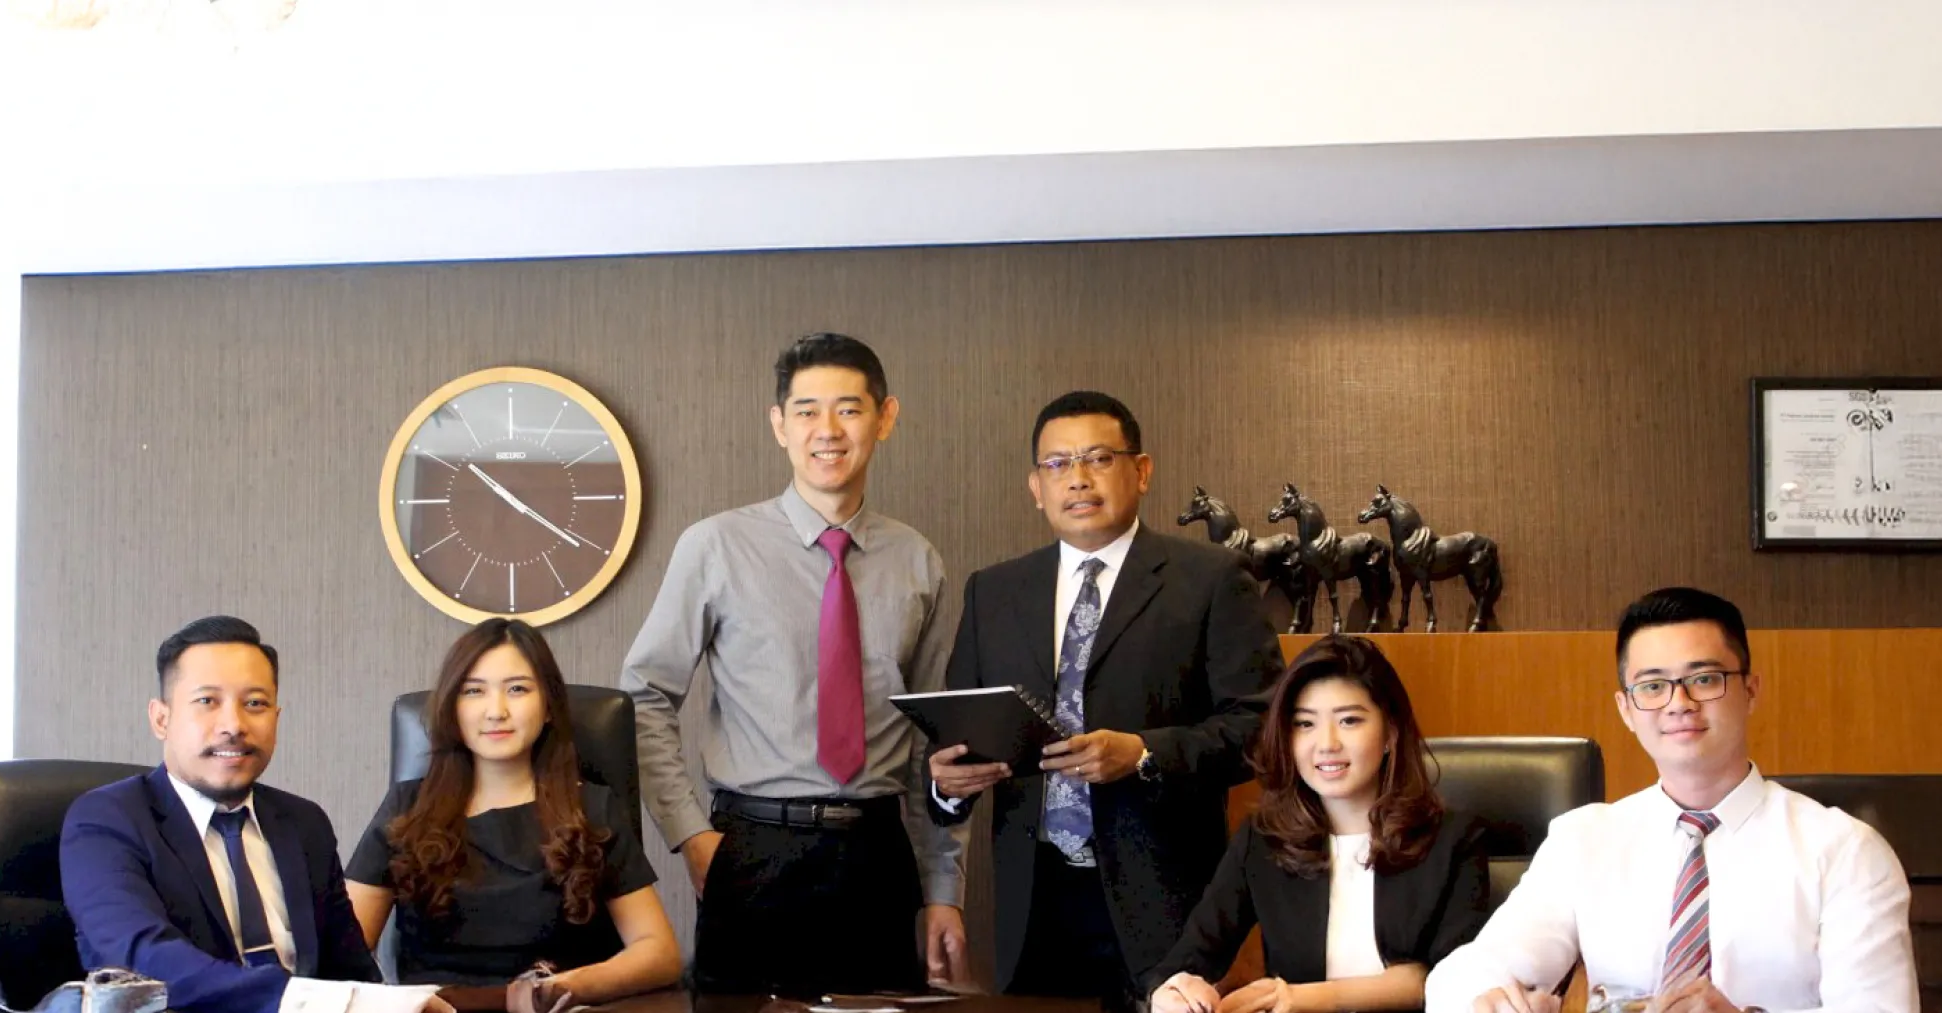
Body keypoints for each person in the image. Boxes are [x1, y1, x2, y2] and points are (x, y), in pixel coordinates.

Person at [619, 332, 967, 994]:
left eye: (848, 408)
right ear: (779, 424)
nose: (827, 429)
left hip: (879, 856)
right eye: (807, 410)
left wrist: (943, 887)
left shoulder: (918, 560)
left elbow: (937, 740)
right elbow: (644, 695)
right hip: (753, 851)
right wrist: (691, 834)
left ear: (885, 417)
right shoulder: (716, 546)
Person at [927, 390, 1284, 1005]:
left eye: (1098, 458)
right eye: (1057, 464)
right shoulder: (994, 592)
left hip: (1165, 900)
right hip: (1033, 902)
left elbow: (1263, 728)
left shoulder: (1211, 580)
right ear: (1036, 486)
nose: (1078, 479)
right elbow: (958, 728)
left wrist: (1143, 754)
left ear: (1141, 471)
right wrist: (946, 785)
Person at [1426, 587, 1917, 1013]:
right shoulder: (1585, 840)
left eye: (1704, 679)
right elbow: (1461, 975)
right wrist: (1490, 1000)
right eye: (1653, 686)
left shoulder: (1844, 850)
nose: (1679, 703)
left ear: (1750, 690)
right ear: (1626, 709)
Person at [59, 617, 442, 1013]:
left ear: (276, 717)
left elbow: (350, 971)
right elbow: (142, 960)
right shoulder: (107, 820)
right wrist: (298, 999)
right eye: (207, 701)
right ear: (161, 719)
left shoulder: (303, 823)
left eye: (255, 704)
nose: (234, 725)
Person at [1144, 635, 1490, 1013]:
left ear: (1390, 732)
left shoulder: (1452, 839)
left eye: (1349, 720)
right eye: (1305, 724)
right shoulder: (1263, 839)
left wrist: (1302, 998)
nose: (1326, 743)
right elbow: (1189, 958)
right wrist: (1173, 990)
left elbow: (1453, 979)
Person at [346, 619, 680, 1007]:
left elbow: (659, 952)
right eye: (474, 691)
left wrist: (549, 991)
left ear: (549, 706)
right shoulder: (407, 808)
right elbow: (344, 951)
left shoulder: (592, 808)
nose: (496, 711)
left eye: (517, 689)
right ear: (453, 708)